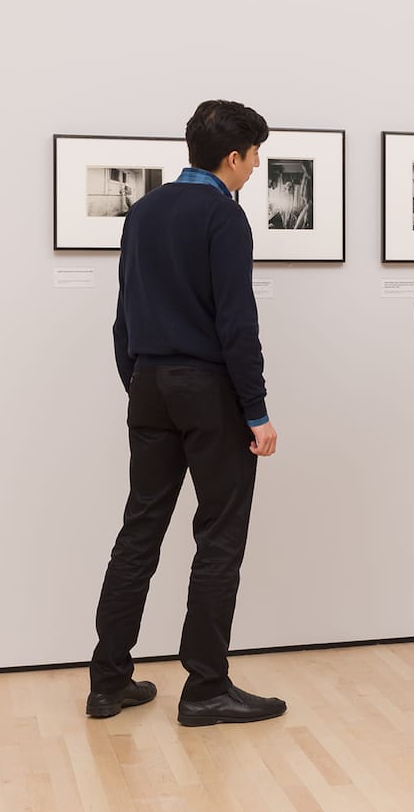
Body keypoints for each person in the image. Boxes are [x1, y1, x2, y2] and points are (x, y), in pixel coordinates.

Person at [87, 99, 287, 727]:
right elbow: (236, 323)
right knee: (219, 536)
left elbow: (123, 318)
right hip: (207, 391)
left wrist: (140, 382)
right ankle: (205, 687)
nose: (255, 168)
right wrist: (255, 411)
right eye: (254, 156)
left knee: (139, 529)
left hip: (148, 383)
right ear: (234, 156)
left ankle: (108, 680)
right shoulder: (223, 218)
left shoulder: (142, 212)